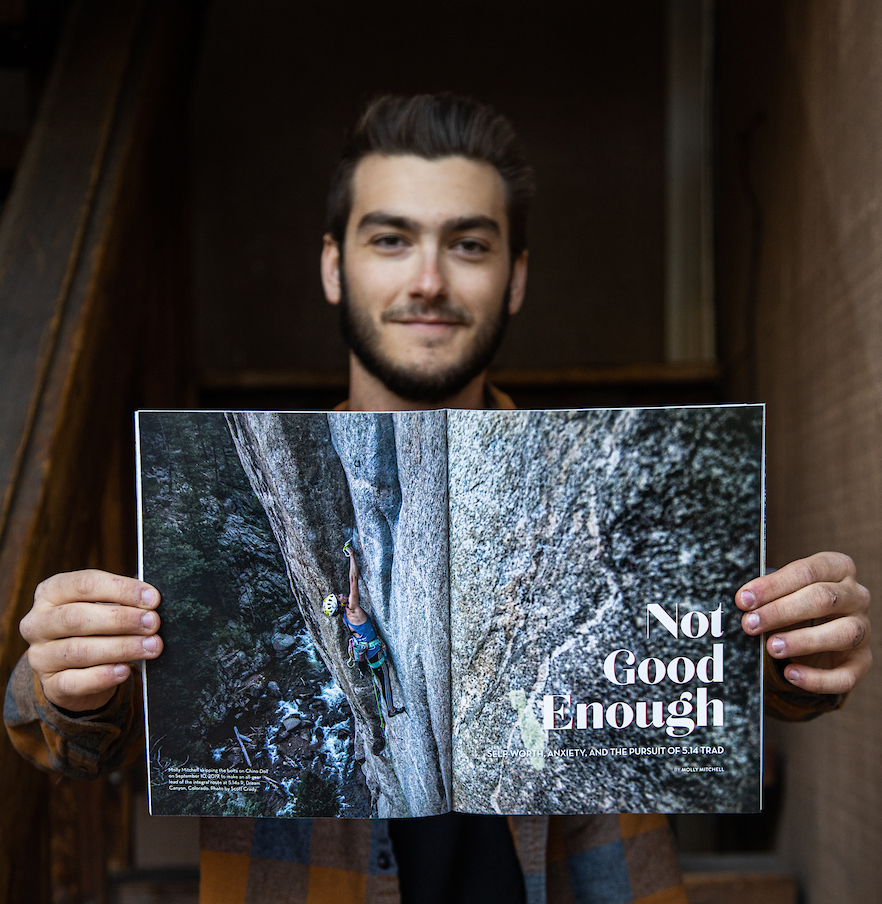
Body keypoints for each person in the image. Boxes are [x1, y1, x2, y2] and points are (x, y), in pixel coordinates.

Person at [5, 94, 872, 904]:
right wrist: (68, 678)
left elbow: (727, 672)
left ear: (517, 277)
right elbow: (64, 737)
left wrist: (792, 647)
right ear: (333, 267)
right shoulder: (229, 481)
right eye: (389, 239)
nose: (428, 280)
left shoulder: (602, 489)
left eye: (468, 243)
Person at [322, 541, 406, 720]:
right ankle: (391, 709)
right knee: (385, 680)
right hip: (375, 653)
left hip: (367, 655)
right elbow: (353, 579)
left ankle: (388, 706)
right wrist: (351, 555)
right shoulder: (352, 608)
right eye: (338, 597)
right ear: (341, 603)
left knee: (381, 679)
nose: (340, 594)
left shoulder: (345, 617)